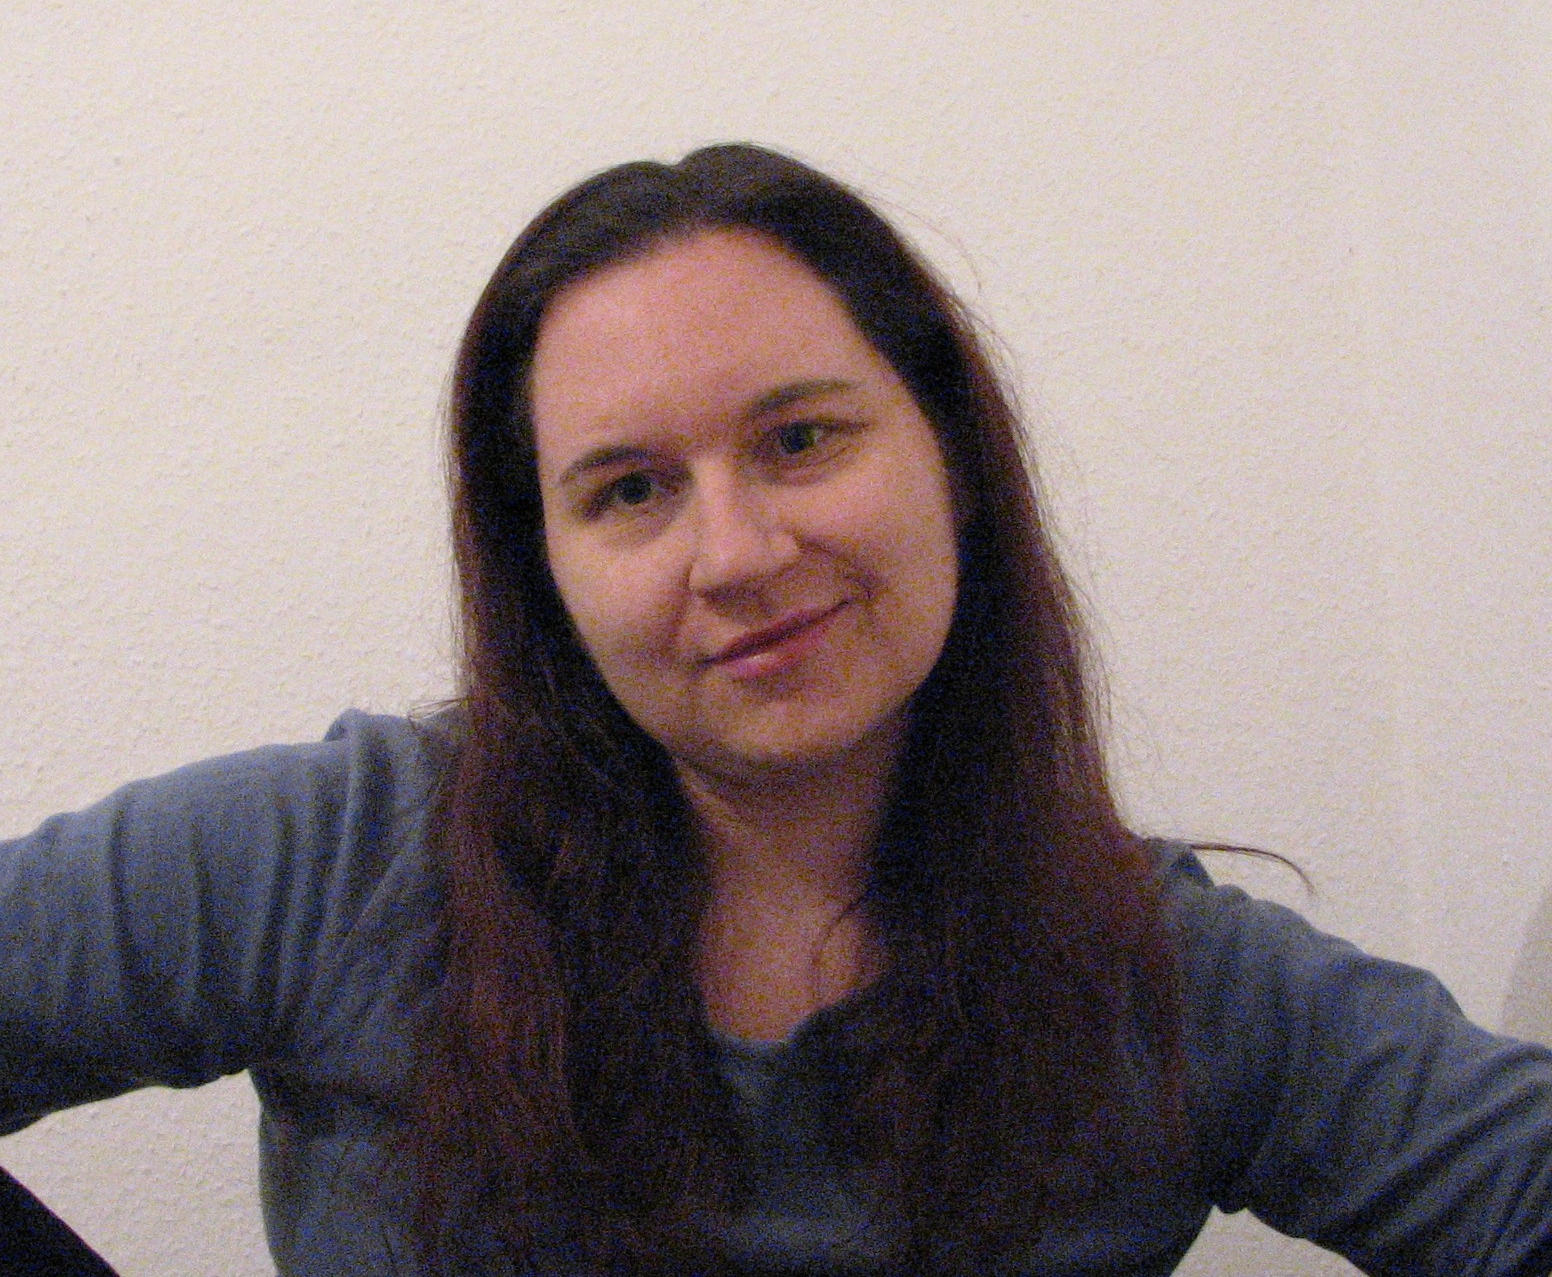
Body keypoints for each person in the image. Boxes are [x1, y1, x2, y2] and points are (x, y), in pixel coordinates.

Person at [2, 144, 1550, 1277]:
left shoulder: (1171, 980)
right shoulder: (326, 858)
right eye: (630, 490)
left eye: (800, 439)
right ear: (545, 568)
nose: (736, 553)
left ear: (952, 458)